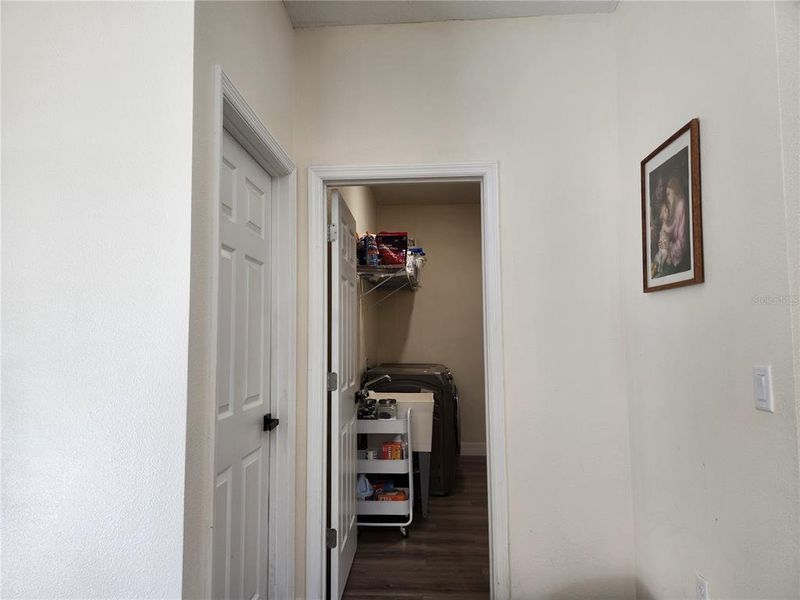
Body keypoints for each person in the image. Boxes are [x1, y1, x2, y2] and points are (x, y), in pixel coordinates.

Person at [658, 176, 688, 273]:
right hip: (668, 250)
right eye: (666, 195)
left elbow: (681, 240)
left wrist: (669, 249)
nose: (668, 198)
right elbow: (669, 232)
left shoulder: (680, 206)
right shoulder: (673, 208)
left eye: (668, 194)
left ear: (674, 193)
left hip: (677, 255)